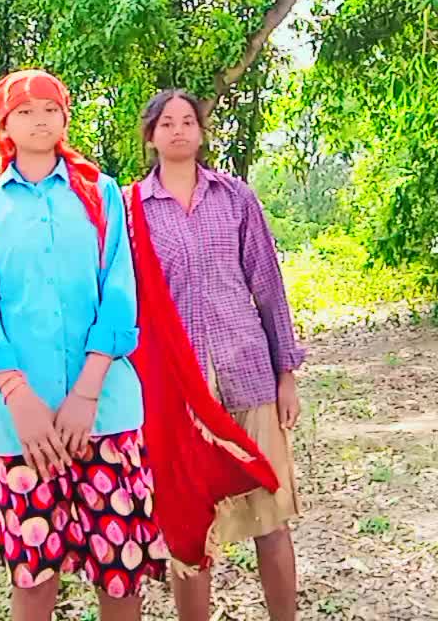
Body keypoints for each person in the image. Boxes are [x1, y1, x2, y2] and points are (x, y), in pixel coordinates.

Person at [0, 69, 167, 621]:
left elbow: (119, 294)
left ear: (65, 119)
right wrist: (19, 397)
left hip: (107, 412)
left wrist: (87, 393)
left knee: (121, 575)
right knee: (33, 577)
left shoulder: (100, 194)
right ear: (4, 126)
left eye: (50, 109)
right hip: (18, 427)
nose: (40, 120)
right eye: (24, 112)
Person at [136, 89, 305, 621]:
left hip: (248, 373)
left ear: (201, 132)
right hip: (180, 392)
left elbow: (268, 286)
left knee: (271, 516)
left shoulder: (234, 198)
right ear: (151, 136)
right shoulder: (132, 209)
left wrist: (286, 374)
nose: (178, 131)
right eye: (167, 123)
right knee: (188, 528)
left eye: (188, 121)